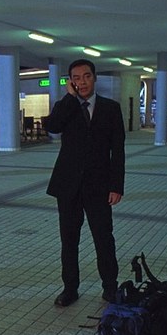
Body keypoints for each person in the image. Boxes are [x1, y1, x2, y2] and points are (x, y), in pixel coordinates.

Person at [43, 59, 126, 307]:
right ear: (71, 81)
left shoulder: (111, 108)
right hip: (68, 186)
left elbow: (118, 150)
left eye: (87, 76)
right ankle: (70, 288)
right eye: (76, 78)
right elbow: (52, 126)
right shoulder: (66, 106)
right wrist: (70, 98)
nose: (82, 82)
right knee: (69, 240)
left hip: (99, 187)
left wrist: (116, 186)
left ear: (95, 78)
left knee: (104, 238)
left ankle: (110, 287)